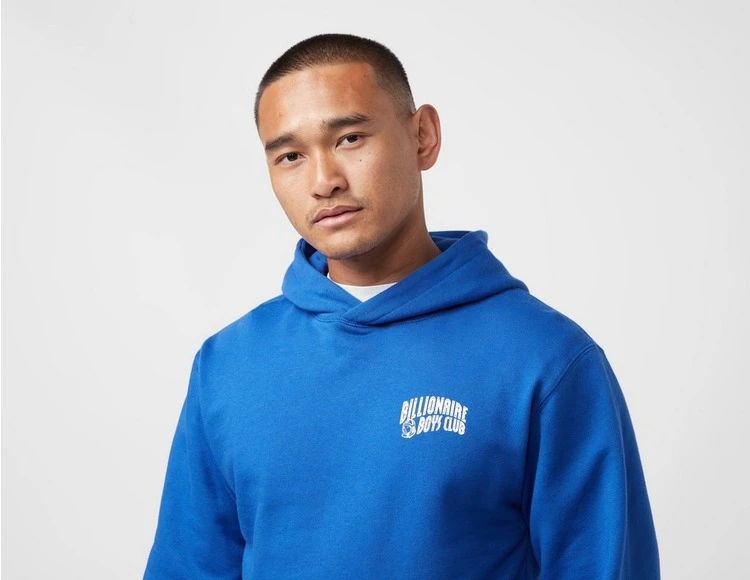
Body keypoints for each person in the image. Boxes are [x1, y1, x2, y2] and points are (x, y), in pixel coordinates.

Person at [144, 33, 660, 579]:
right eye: (291, 156)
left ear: (423, 137)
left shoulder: (547, 361)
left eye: (349, 138)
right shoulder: (227, 366)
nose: (324, 181)